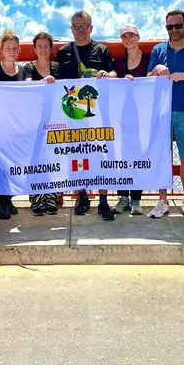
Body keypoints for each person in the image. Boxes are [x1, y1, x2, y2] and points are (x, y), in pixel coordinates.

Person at [55, 11, 117, 220]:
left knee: (100, 154)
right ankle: (82, 196)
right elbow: (56, 84)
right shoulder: (63, 52)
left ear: (91, 27)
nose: (80, 31)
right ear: (71, 28)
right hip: (73, 114)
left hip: (98, 113)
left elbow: (114, 73)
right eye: (76, 26)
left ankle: (103, 200)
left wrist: (108, 75)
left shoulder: (102, 50)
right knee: (76, 155)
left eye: (84, 26)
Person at [147, 10, 184, 220]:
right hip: (161, 111)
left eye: (177, 26)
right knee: (162, 157)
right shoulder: (158, 50)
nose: (173, 30)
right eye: (169, 27)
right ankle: (162, 201)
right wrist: (155, 71)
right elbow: (147, 79)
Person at [111, 23, 151, 216]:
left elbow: (153, 79)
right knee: (121, 156)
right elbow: (113, 75)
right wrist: (107, 76)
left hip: (142, 116)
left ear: (138, 37)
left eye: (131, 36)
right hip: (122, 116)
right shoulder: (118, 61)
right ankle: (123, 197)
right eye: (124, 36)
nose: (128, 39)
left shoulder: (148, 59)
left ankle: (136, 199)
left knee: (138, 156)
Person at [23, 32, 61, 216]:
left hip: (55, 121)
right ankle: (36, 197)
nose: (43, 49)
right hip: (34, 121)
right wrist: (42, 82)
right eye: (40, 46)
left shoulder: (57, 67)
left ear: (51, 48)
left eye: (47, 46)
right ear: (34, 48)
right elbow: (28, 85)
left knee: (52, 158)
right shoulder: (29, 68)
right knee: (35, 159)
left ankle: (51, 197)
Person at [0, 30, 25, 220]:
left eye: (14, 48)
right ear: (1, 50)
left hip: (17, 125)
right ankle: (1, 201)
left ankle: (8, 199)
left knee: (13, 162)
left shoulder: (23, 71)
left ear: (18, 50)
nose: (11, 51)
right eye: (8, 48)